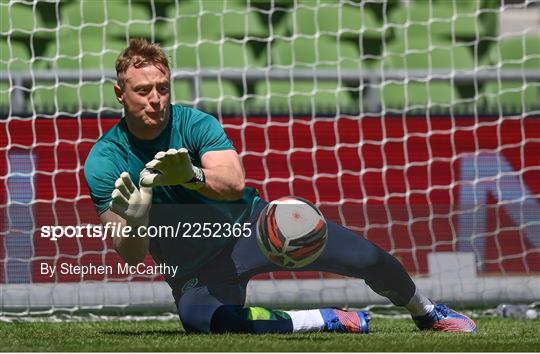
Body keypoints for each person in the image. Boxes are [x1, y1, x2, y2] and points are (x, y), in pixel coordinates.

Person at [84, 38, 476, 334]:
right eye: (142, 91)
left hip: (253, 227)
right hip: (195, 266)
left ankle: (427, 311)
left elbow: (235, 183)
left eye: (163, 88)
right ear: (120, 94)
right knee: (200, 320)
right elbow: (132, 256)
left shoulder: (195, 124)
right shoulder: (104, 160)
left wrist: (192, 176)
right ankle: (326, 319)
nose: (156, 100)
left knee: (368, 259)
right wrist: (135, 221)